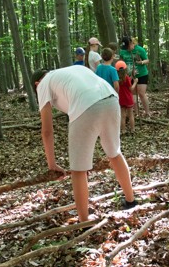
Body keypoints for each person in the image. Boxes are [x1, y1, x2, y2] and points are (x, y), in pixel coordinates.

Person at [32, 66, 136, 221]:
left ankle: (84, 221)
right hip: (111, 99)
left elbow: (47, 131)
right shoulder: (70, 71)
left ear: (36, 83)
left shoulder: (43, 84)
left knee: (78, 169)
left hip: (86, 105)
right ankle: (131, 201)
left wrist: (52, 164)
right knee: (114, 152)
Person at [121, 36, 151, 117]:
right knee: (132, 95)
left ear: (131, 43)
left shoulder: (139, 49)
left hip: (141, 74)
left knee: (141, 93)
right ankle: (137, 113)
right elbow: (121, 62)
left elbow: (147, 60)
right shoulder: (123, 51)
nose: (126, 49)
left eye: (127, 46)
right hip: (130, 76)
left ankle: (147, 112)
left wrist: (140, 62)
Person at [115, 60, 137, 134]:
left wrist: (131, 77)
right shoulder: (126, 78)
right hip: (128, 98)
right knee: (130, 115)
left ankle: (123, 130)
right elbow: (131, 88)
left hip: (121, 99)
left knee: (123, 115)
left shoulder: (116, 78)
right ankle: (133, 129)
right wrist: (135, 82)